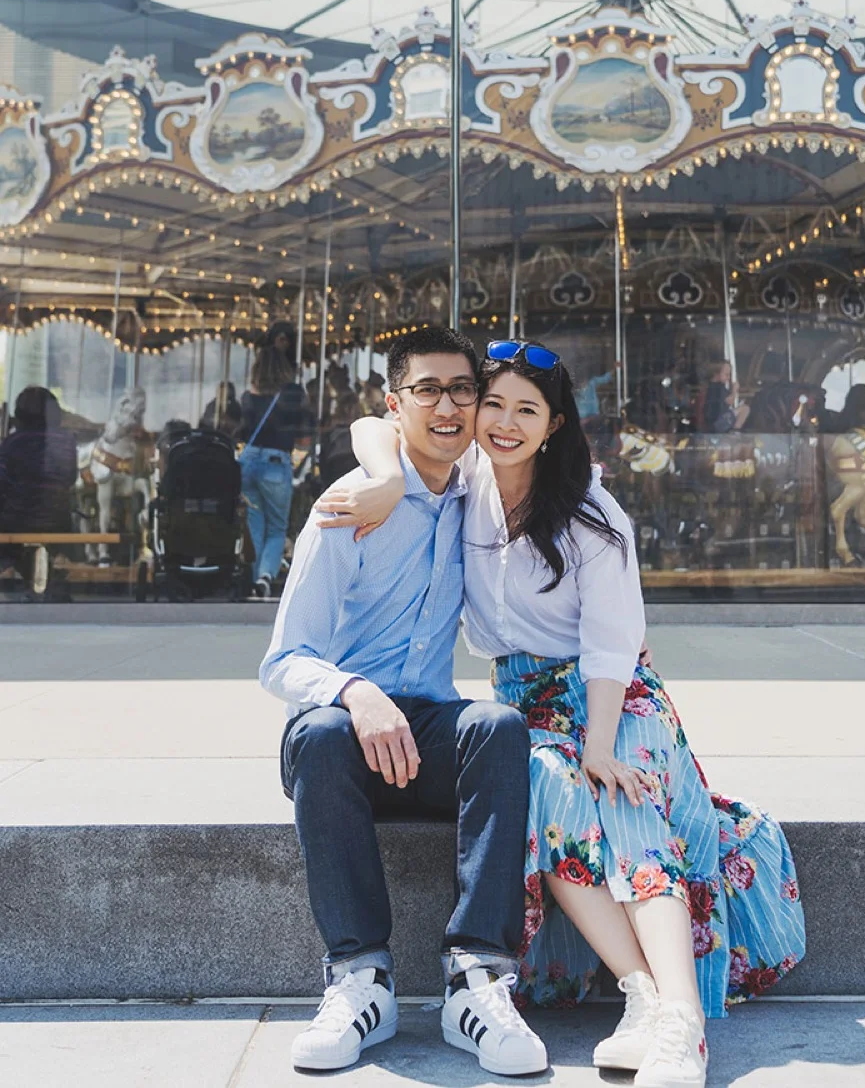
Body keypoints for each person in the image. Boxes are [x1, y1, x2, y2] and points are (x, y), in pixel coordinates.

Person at [319, 339, 806, 1088]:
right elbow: (373, 424)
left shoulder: (590, 511)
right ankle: (641, 997)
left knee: (624, 800)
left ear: (554, 425)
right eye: (493, 404)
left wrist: (601, 745)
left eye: (527, 410)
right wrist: (385, 480)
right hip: (525, 699)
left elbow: (612, 648)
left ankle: (681, 1022)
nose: (504, 423)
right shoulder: (464, 477)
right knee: (548, 783)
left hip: (615, 696)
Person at [259, 327, 548, 1077]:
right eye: (427, 391)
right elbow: (283, 660)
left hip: (428, 732)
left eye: (462, 391)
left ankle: (476, 981)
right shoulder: (350, 506)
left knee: (498, 726)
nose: (448, 407)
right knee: (321, 734)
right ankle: (361, 979)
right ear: (397, 405)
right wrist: (356, 692)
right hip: (342, 744)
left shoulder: (478, 491)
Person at [240, 345, 310, 598]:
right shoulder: (292, 395)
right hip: (276, 463)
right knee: (277, 527)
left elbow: (240, 430)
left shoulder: (248, 397)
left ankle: (254, 579)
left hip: (248, 461)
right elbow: (304, 436)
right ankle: (265, 576)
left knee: (255, 524)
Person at [0, 386, 78, 535]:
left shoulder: (12, 442)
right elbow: (70, 478)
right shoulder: (67, 440)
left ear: (19, 414)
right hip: (58, 524)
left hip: (15, 525)